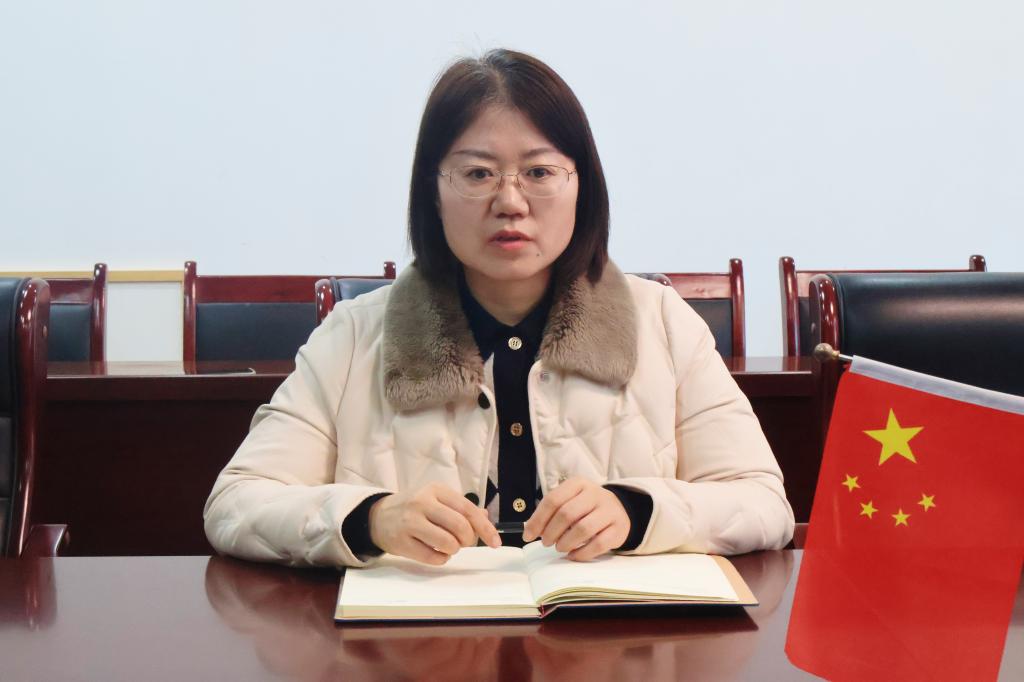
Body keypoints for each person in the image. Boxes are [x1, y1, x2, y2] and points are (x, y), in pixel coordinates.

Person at [203, 49, 794, 568]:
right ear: (432, 192)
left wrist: (635, 511)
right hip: (418, 643)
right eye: (478, 173)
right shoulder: (354, 337)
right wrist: (371, 519)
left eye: (539, 171)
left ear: (582, 186)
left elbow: (763, 503)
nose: (510, 201)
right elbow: (236, 504)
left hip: (606, 642)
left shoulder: (663, 323)